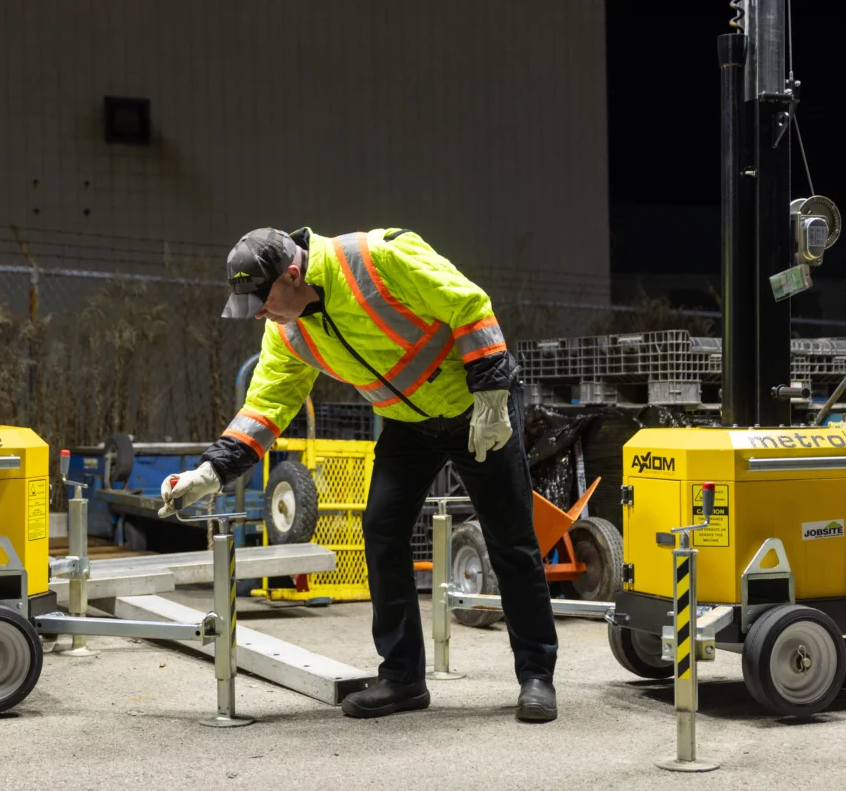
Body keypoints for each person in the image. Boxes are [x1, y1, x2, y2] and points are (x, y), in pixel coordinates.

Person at [158, 227, 558, 722]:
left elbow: (469, 305)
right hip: (409, 425)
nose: (259, 313)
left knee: (510, 537)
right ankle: (402, 678)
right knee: (382, 530)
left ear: (292, 273)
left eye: (262, 300)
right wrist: (211, 470)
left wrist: (493, 394)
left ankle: (537, 676)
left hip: (477, 409)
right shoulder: (286, 330)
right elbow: (267, 406)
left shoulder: (376, 259)